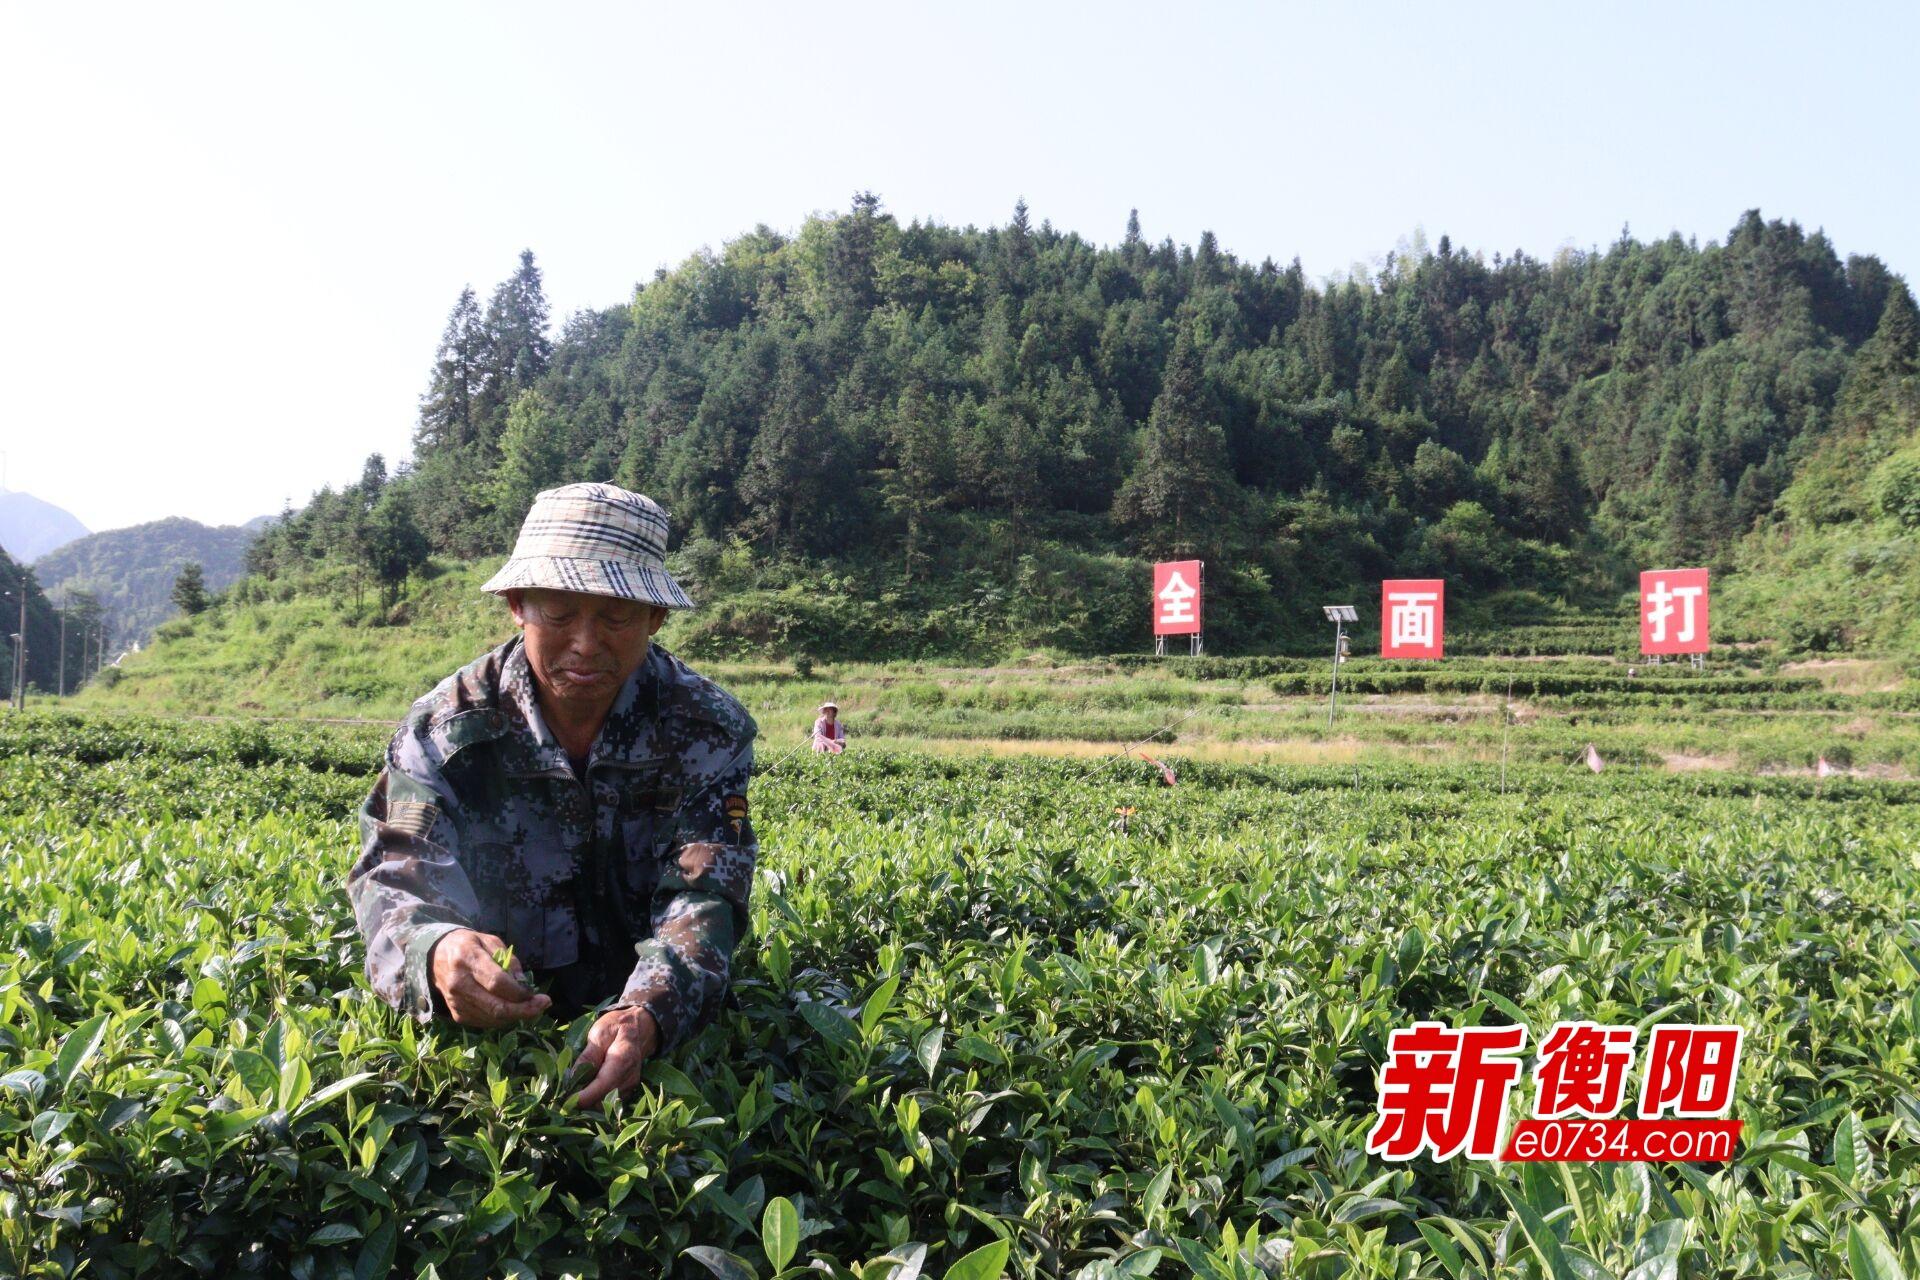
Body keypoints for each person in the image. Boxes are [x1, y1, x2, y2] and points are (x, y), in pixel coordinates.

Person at [347, 483, 757, 1110]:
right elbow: (396, 871)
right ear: (517, 605)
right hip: (494, 1040)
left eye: (615, 616)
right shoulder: (443, 732)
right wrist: (437, 953)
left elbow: (704, 897)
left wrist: (647, 1011)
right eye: (560, 614)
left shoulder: (706, 731)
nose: (586, 643)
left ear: (655, 618)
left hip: (650, 1042)